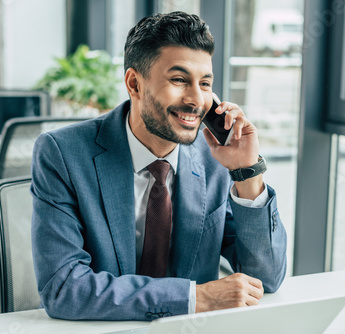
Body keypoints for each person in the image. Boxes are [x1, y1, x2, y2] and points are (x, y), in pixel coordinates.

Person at [31, 11, 287, 321]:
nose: (196, 100)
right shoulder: (63, 153)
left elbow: (267, 277)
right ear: (134, 84)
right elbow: (63, 289)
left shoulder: (215, 157)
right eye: (179, 80)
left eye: (205, 84)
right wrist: (196, 297)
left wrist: (247, 172)